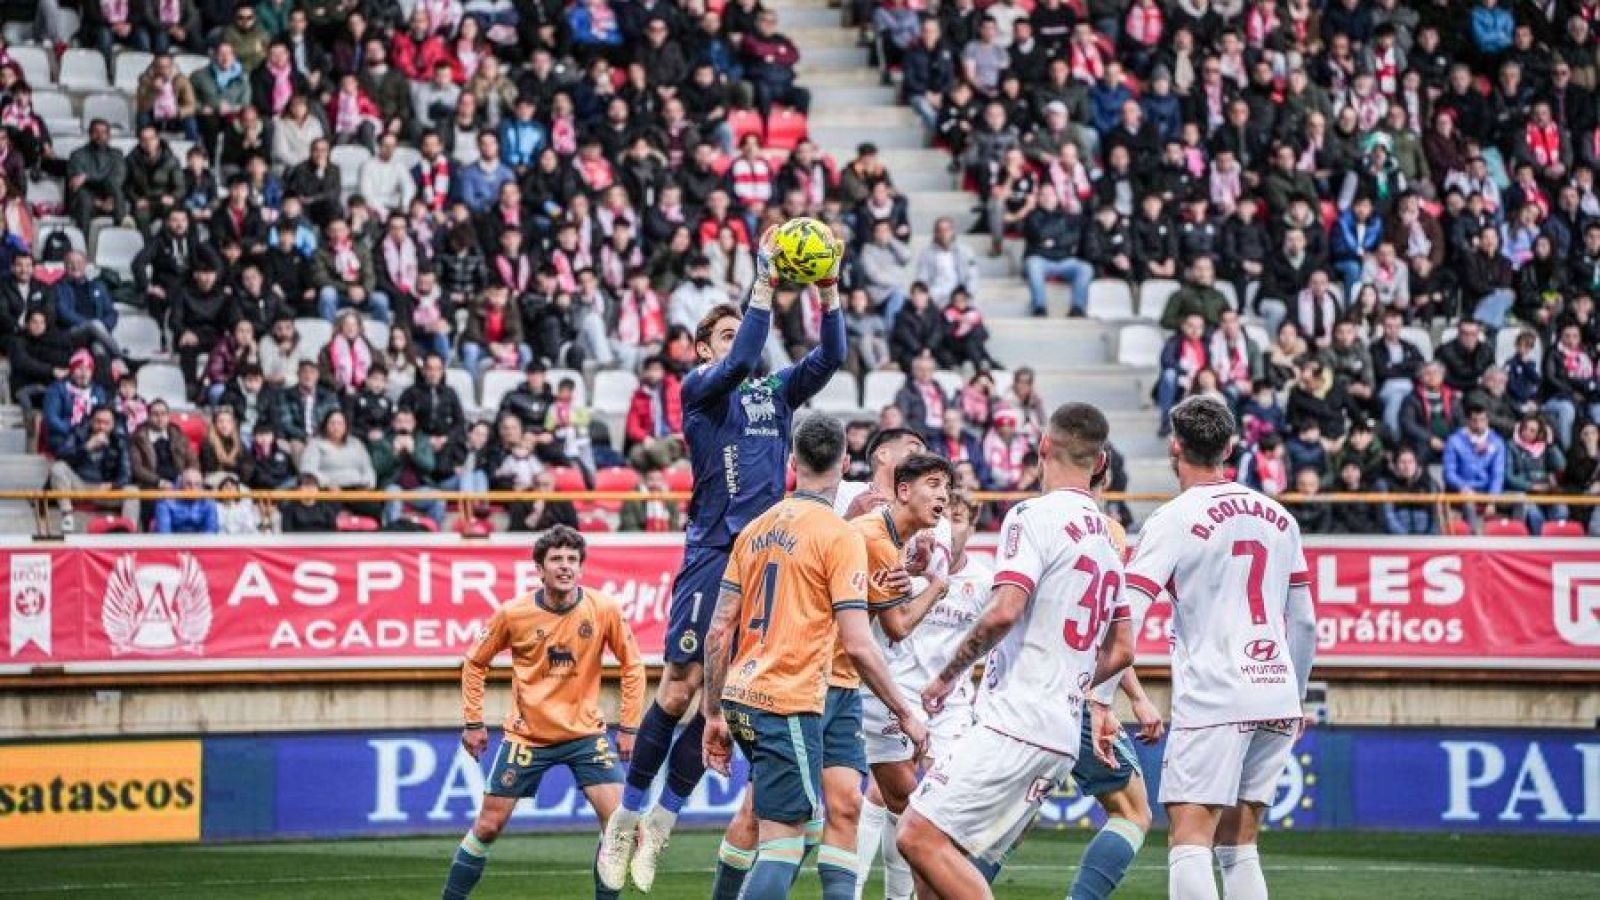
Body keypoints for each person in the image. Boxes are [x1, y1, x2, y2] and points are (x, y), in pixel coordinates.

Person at [600, 231, 846, 893]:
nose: (743, 339)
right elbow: (740, 359)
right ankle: (625, 816)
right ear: (703, 348)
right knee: (679, 687)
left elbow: (833, 354)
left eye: (745, 328)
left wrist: (828, 288)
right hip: (713, 550)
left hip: (765, 558)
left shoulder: (774, 392)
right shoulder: (702, 389)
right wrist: (763, 283)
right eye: (727, 332)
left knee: (720, 695)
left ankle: (662, 823)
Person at [898, 402, 1133, 896]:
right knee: (938, 864)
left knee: (916, 835)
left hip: (1016, 721)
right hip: (1061, 732)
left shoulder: (1032, 515)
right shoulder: (1110, 540)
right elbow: (1123, 648)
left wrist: (946, 676)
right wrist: (1074, 683)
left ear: (1043, 447)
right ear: (1099, 461)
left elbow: (1004, 611)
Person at [700, 413, 927, 900]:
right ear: (846, 463)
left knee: (842, 806)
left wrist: (713, 711)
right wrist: (905, 712)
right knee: (784, 838)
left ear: (791, 460)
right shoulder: (839, 535)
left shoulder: (755, 530)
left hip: (764, 692)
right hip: (787, 699)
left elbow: (719, 628)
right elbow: (861, 644)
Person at [1119, 394, 1316, 900]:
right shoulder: (1280, 518)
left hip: (1215, 695)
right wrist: (1295, 696)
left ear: (1174, 447)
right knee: (1239, 844)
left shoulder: (1173, 518)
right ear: (1229, 447)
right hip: (1277, 692)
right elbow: (1305, 622)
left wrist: (1102, 697)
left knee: (1190, 839)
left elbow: (1128, 613)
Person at [440, 526, 646, 899]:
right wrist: (473, 721)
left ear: (581, 568)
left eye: (572, 560)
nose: (565, 567)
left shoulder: (603, 609)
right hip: (527, 736)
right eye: (556, 559)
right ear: (540, 568)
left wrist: (629, 725)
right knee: (488, 826)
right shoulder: (513, 614)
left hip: (585, 735)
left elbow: (633, 666)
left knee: (619, 829)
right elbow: (474, 663)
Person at [47, 404, 139, 532]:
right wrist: (86, 447)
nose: (101, 426)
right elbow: (61, 456)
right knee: (58, 468)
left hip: (105, 489)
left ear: (113, 425)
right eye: (98, 422)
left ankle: (128, 530)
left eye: (106, 423)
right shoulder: (78, 433)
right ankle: (67, 515)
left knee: (132, 490)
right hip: (79, 486)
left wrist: (113, 485)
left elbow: (126, 474)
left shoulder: (120, 441)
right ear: (91, 421)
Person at [1442, 400, 1507, 532]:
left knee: (1520, 500)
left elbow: (1497, 474)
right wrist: (1463, 487)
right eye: (1474, 420)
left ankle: (1517, 542)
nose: (1479, 424)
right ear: (1467, 421)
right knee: (1469, 502)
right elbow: (1449, 473)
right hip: (1462, 490)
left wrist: (1492, 499)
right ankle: (1474, 541)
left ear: (1488, 420)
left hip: (1486, 491)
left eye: (1482, 420)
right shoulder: (1454, 441)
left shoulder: (1497, 442)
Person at [151, 467, 220, 534]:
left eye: (197, 484)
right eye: (188, 484)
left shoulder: (209, 503)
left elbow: (211, 533)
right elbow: (164, 534)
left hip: (200, 543)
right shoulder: (165, 502)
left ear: (202, 486)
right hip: (173, 543)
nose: (193, 488)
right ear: (181, 484)